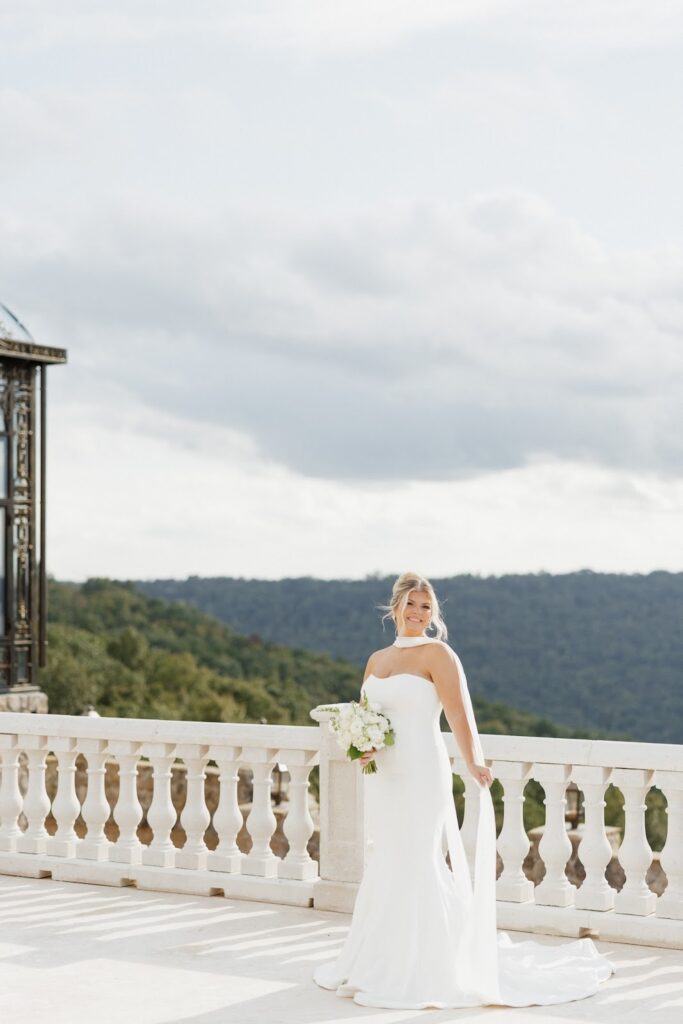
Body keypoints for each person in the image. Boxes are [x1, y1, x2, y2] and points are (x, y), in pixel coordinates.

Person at [312, 571, 615, 1009]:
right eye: (411, 604)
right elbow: (367, 714)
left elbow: (460, 714)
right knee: (388, 858)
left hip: (421, 772)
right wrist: (363, 746)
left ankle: (430, 965)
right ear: (394, 607)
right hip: (386, 775)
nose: (417, 613)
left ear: (433, 615)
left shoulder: (439, 654)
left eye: (426, 607)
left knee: (419, 859)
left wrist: (473, 760)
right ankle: (379, 958)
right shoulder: (376, 660)